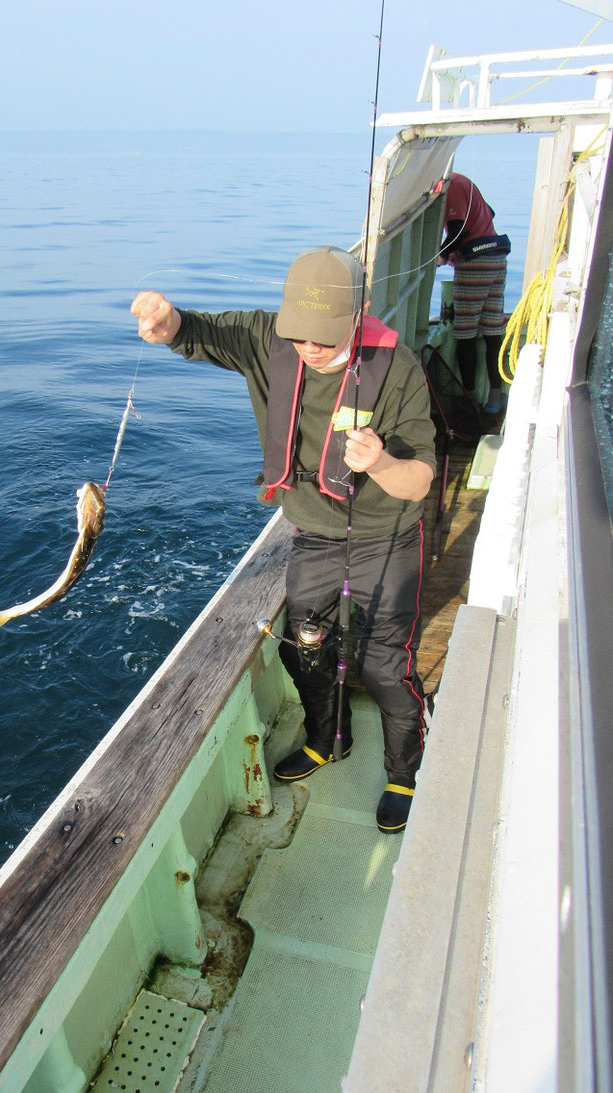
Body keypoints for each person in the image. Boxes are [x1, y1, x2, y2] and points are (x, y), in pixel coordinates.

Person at [131, 247, 436, 833]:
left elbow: (420, 478)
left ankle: (403, 771)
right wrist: (166, 324)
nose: (310, 349)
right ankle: (328, 739)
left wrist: (380, 463)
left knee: (382, 664)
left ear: (360, 312)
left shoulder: (398, 370)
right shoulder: (270, 340)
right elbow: (194, 332)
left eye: (324, 337)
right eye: (300, 335)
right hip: (316, 530)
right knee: (304, 646)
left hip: (387, 534)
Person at [438, 173, 511, 415]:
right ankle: (495, 398)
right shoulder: (466, 183)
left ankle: (468, 397)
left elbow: (457, 231)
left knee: (466, 334)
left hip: (475, 265)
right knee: (492, 331)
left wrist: (440, 255)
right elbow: (489, 213)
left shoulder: (453, 186)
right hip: (496, 260)